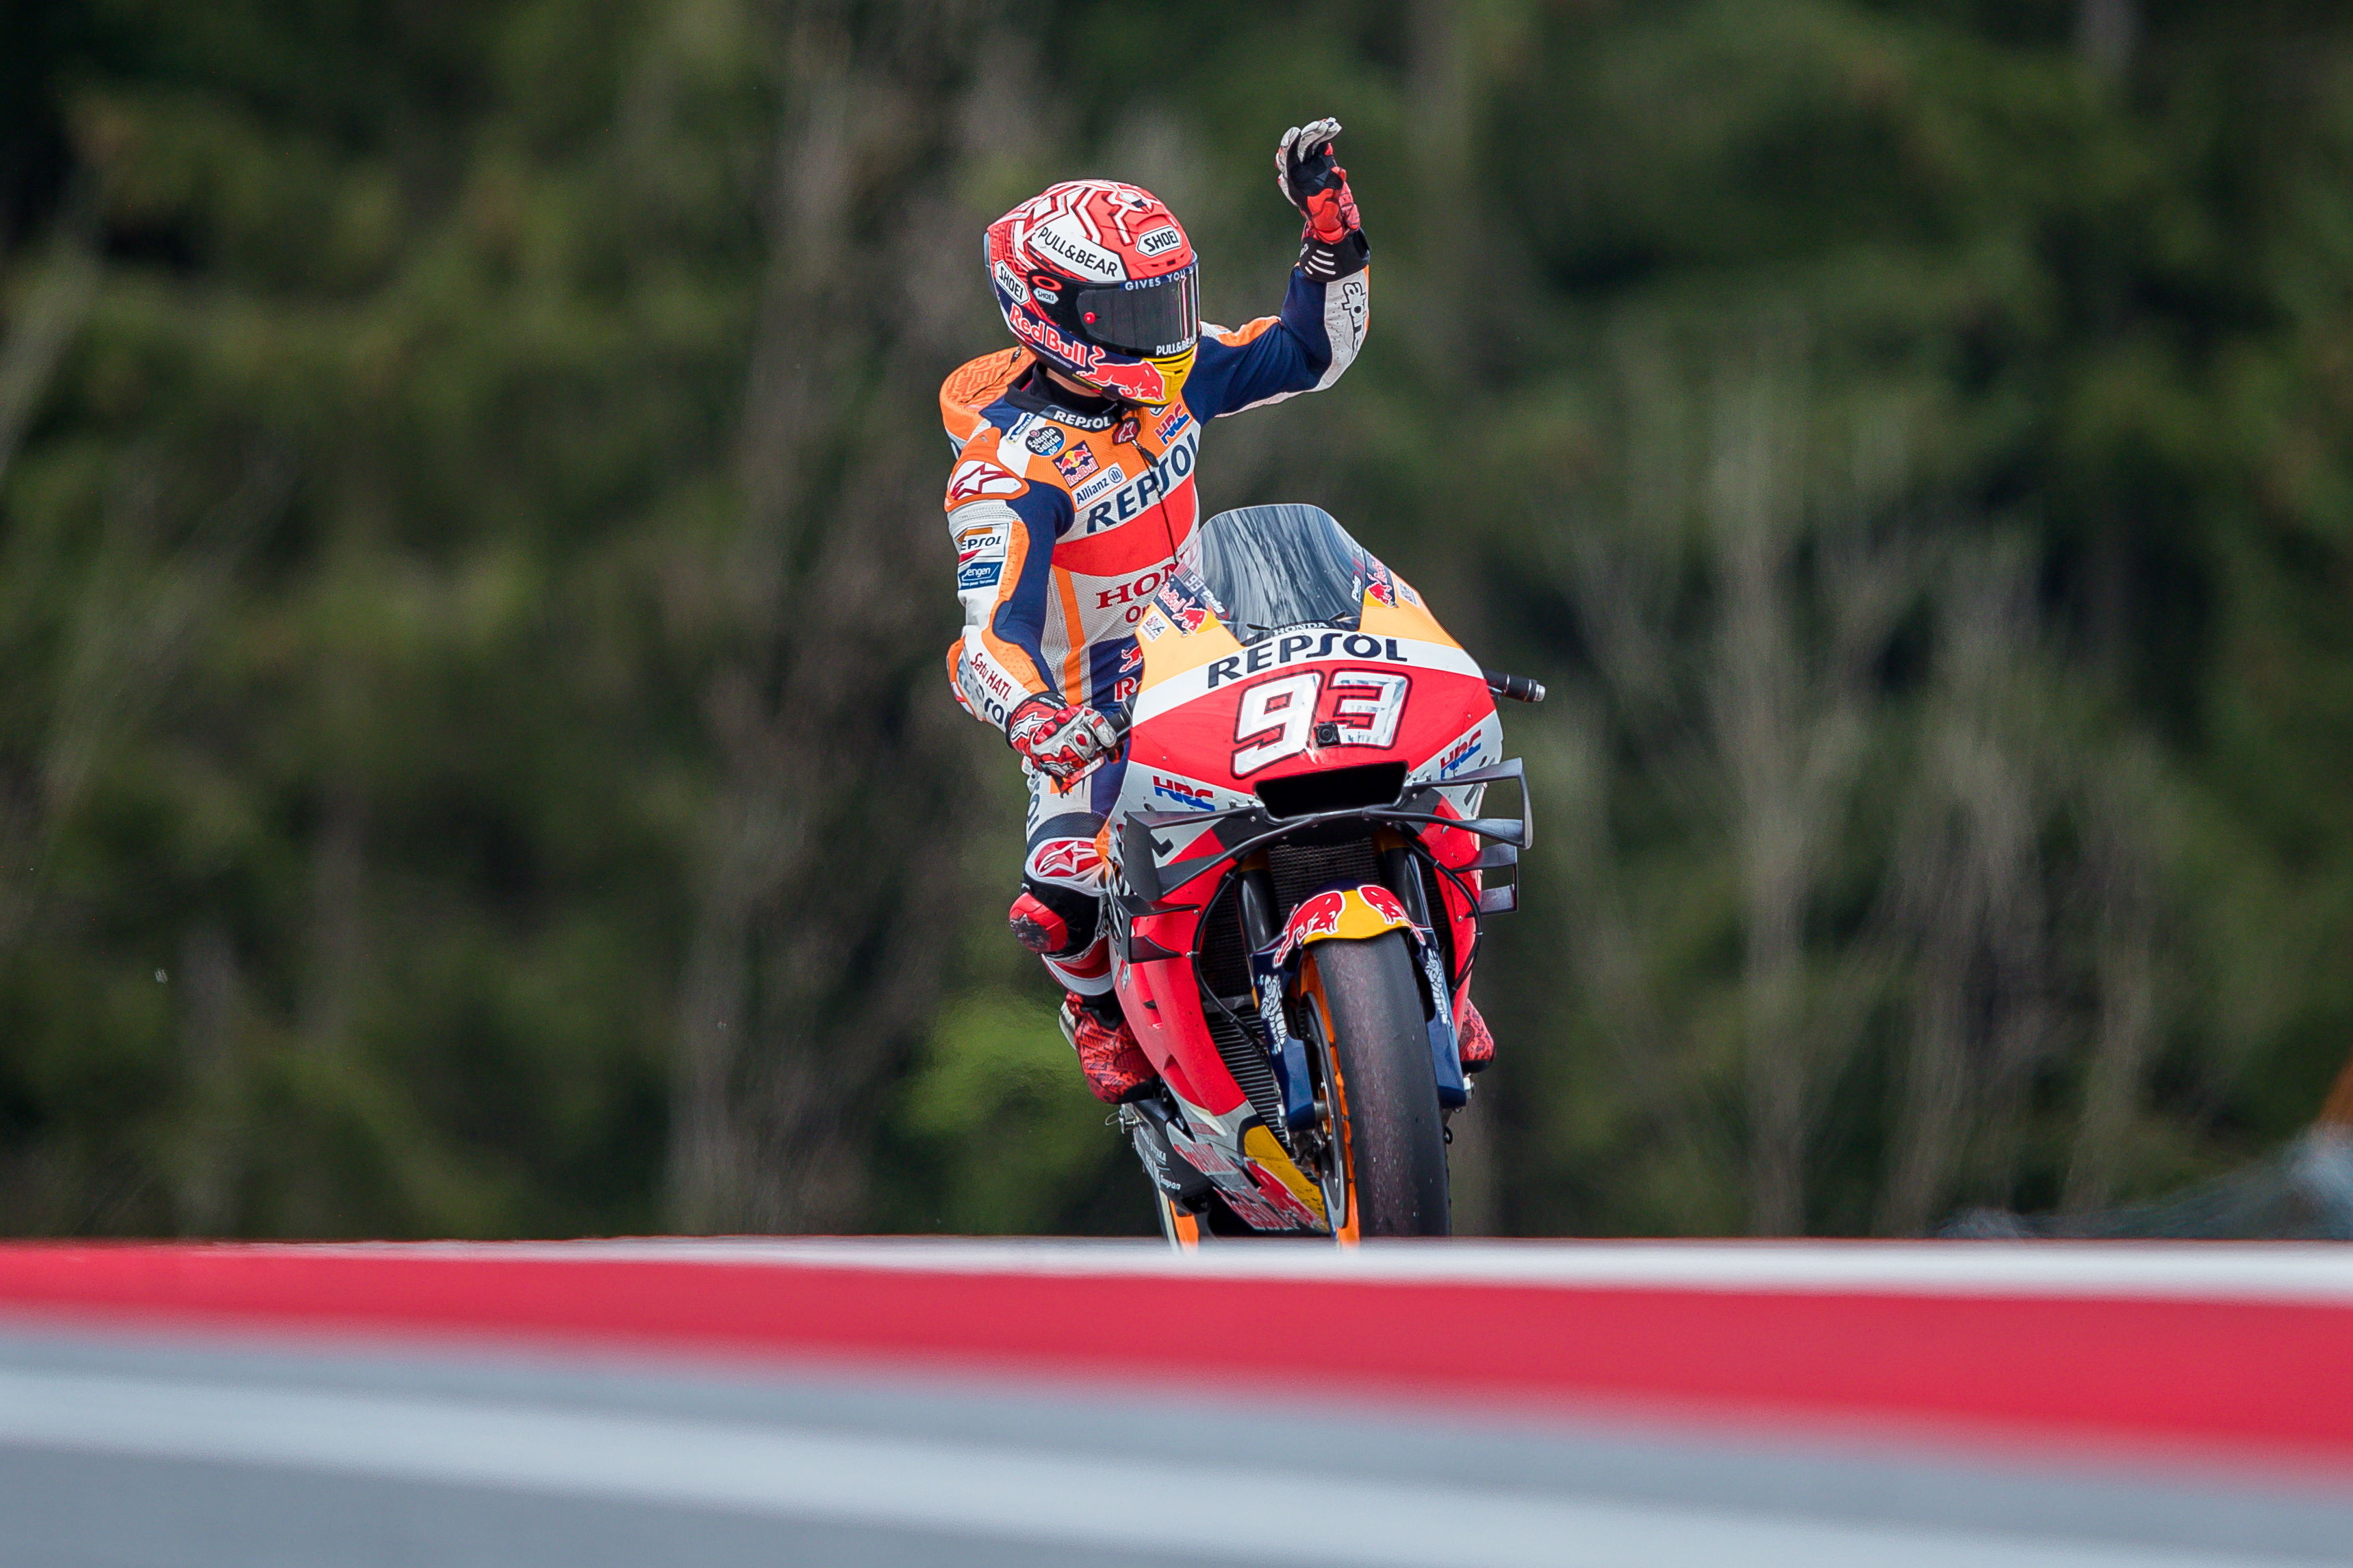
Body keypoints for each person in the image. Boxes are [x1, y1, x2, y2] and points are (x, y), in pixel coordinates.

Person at [938, 120, 1491, 1103]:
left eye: (1169, 298)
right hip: (1091, 710)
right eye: (1132, 307)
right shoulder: (1003, 473)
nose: (1163, 328)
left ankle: (1437, 975)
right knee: (1060, 893)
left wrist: (1331, 248)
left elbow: (1308, 352)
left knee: (1399, 762)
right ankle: (1101, 1018)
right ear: (1050, 313)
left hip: (1216, 633)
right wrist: (1033, 717)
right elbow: (988, 635)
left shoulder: (1174, 373)